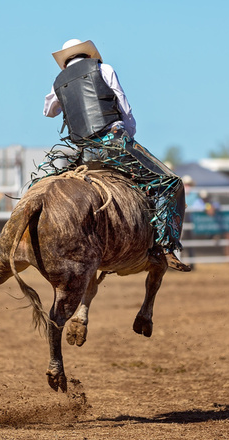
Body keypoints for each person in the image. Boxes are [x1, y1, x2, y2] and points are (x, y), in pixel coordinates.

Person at [43, 39, 189, 271]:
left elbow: (48, 111)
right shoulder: (103, 69)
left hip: (85, 154)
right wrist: (128, 135)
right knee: (170, 183)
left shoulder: (58, 82)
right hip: (114, 145)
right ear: (88, 54)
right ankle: (165, 246)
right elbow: (124, 108)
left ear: (66, 61)